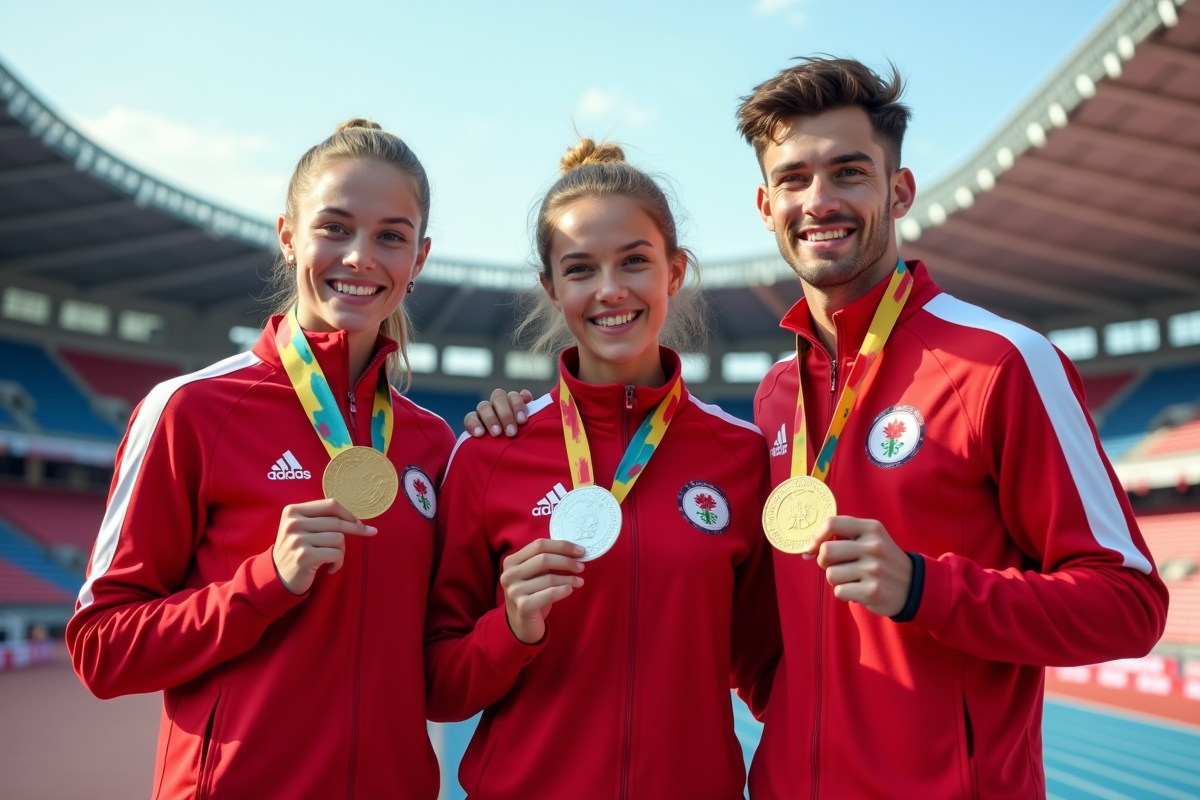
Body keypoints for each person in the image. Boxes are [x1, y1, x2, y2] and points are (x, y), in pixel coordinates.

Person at [464, 60, 1169, 799]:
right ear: (766, 206)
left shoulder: (1000, 363)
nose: (820, 200)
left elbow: (1129, 603)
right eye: (795, 178)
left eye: (849, 172)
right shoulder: (774, 401)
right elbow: (766, 649)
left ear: (899, 191)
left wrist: (926, 588)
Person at [66, 120, 456, 800]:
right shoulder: (190, 409)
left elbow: (441, 660)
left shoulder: (434, 445)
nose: (361, 256)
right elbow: (101, 649)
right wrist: (264, 583)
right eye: (334, 228)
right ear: (287, 236)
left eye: (390, 236)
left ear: (418, 260)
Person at [425, 139, 781, 800]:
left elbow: (769, 672)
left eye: (635, 262)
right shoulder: (488, 452)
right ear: (552, 287)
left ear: (674, 272)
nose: (611, 290)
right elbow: (439, 686)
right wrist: (512, 628)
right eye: (581, 268)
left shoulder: (741, 456)